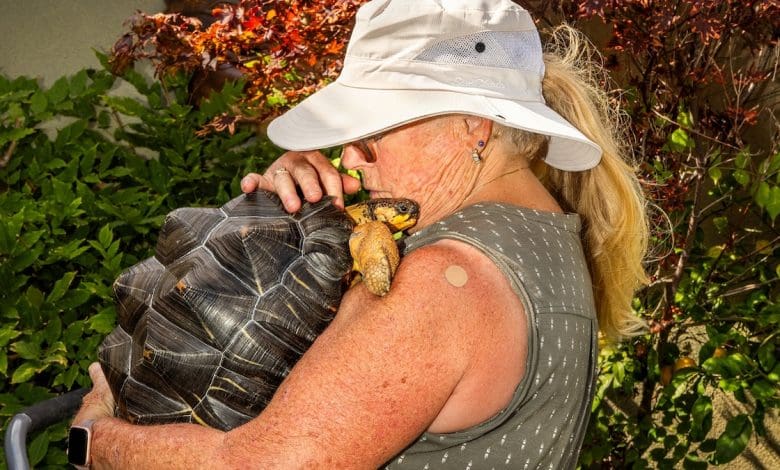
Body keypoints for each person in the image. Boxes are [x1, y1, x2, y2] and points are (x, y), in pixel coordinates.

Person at [72, 0, 649, 468]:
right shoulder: (547, 235)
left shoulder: (448, 282)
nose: (350, 159)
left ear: (473, 125)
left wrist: (96, 438)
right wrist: (286, 227)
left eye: (370, 136)